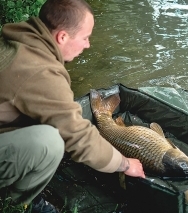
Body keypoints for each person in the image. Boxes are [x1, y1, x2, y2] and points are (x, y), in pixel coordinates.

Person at [0, 0, 145, 212]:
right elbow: (78, 137)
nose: (88, 45)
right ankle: (17, 203)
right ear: (62, 37)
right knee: (51, 142)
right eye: (85, 38)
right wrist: (125, 164)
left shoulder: (19, 42)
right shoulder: (41, 73)